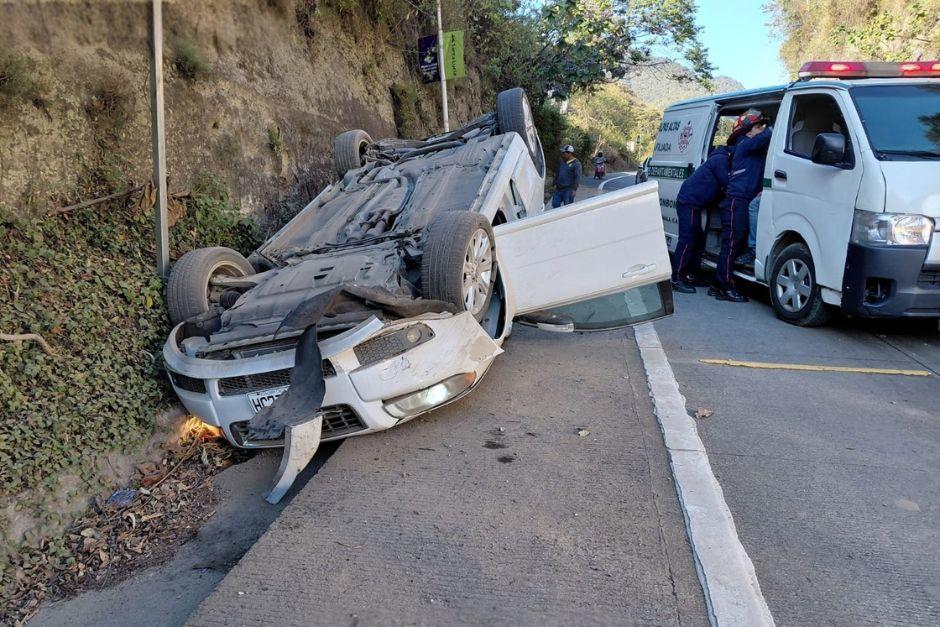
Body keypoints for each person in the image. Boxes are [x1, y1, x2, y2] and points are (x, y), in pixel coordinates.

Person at [712, 109, 772, 302]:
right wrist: (775, 126)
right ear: (748, 131)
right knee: (731, 244)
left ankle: (718, 284)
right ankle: (725, 287)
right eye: (758, 126)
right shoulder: (745, 144)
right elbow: (767, 136)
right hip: (736, 200)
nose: (762, 129)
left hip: (743, 199)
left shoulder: (753, 148)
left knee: (735, 244)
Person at [670, 142, 733, 293]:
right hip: (689, 202)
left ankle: (691, 274)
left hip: (694, 203)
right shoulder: (721, 160)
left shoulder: (719, 158)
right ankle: (676, 278)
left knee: (698, 240)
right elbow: (727, 183)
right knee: (687, 240)